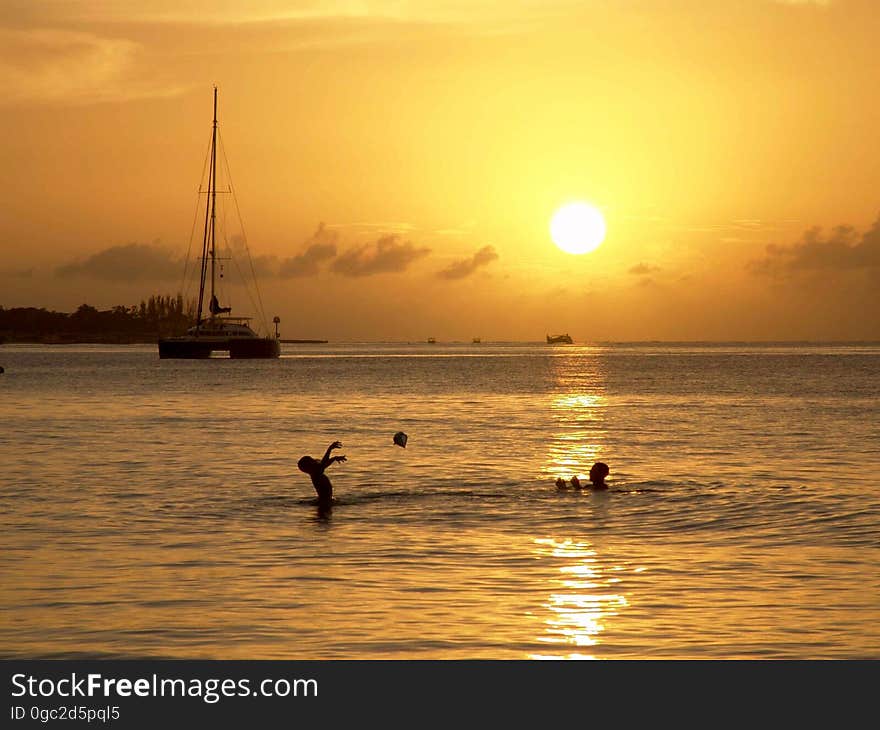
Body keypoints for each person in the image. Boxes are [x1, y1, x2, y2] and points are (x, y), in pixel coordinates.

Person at [297, 440, 347, 507]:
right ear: (309, 466)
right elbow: (323, 464)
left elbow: (324, 464)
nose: (315, 461)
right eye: (312, 461)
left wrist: (334, 458)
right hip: (324, 502)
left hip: (325, 501)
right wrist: (330, 449)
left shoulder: (316, 473)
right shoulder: (316, 474)